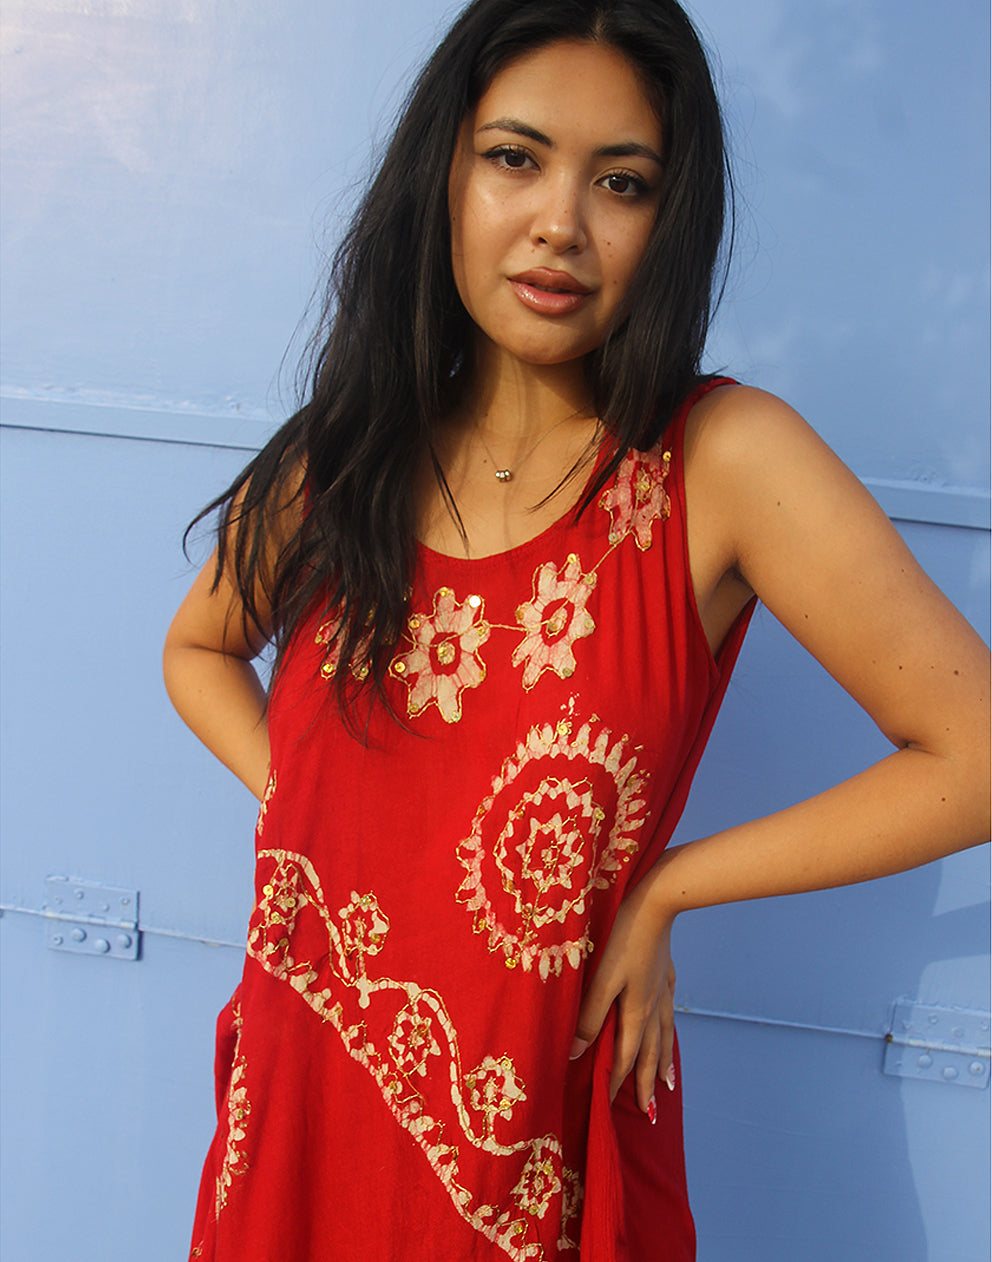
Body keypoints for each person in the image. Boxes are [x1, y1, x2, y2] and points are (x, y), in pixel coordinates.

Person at [162, 1, 990, 1258]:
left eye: (621, 182)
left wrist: (666, 887)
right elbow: (199, 647)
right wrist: (316, 806)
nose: (561, 221)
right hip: (304, 1093)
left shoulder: (719, 460)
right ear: (443, 174)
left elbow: (973, 753)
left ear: (669, 219)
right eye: (515, 157)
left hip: (532, 1138)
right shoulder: (348, 455)